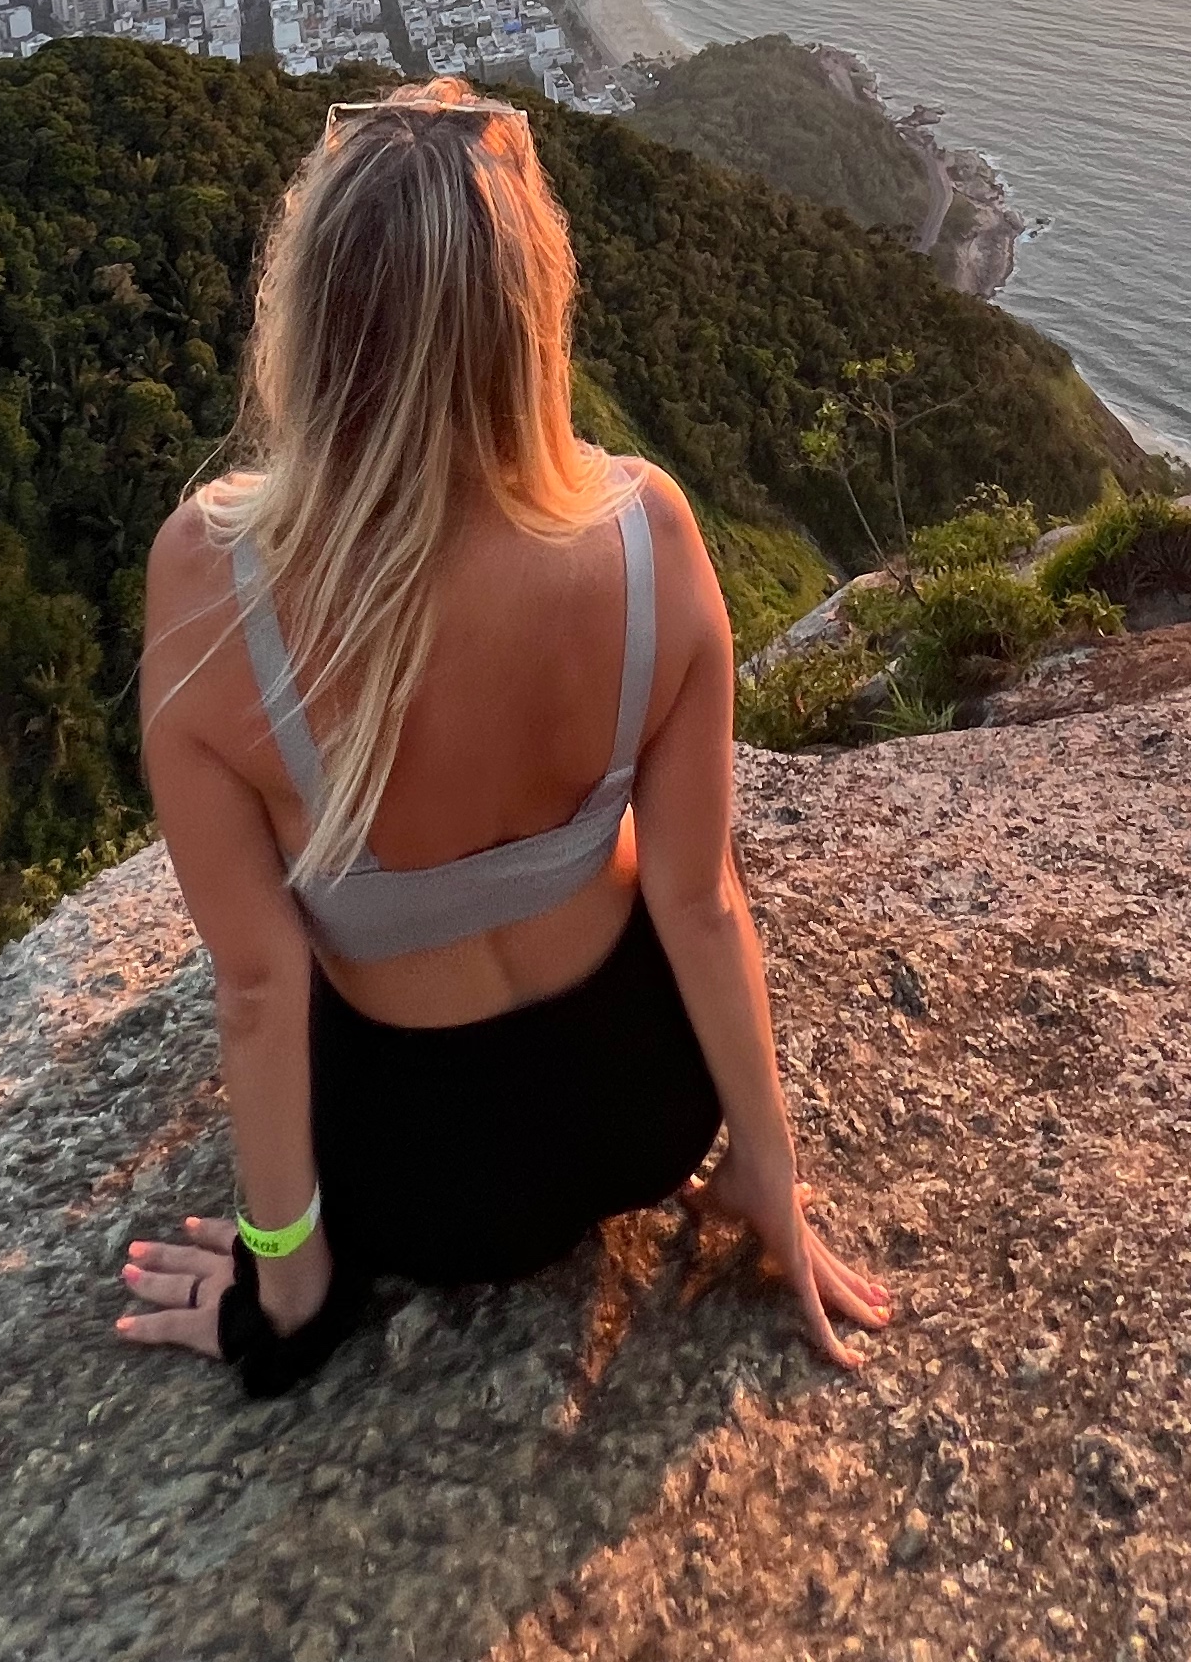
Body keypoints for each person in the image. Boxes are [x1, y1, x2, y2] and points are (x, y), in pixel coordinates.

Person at [114, 77, 889, 1395]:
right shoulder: (647, 533)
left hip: (423, 1190)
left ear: (309, 319)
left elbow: (257, 989)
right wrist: (766, 1164)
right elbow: (702, 901)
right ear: (532, 316)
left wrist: (285, 1279)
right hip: (652, 1112)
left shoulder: (210, 578)